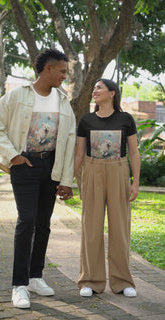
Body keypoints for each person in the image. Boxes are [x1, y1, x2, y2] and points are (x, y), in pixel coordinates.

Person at [0, 48, 76, 309]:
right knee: (26, 220)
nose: (64, 76)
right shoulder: (16, 96)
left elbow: (69, 140)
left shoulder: (63, 101)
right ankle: (19, 285)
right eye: (61, 71)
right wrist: (13, 155)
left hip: (52, 166)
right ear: (47, 69)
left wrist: (67, 179)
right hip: (24, 164)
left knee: (43, 223)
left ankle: (36, 276)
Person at [74, 79, 140, 298]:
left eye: (99, 87)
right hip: (92, 171)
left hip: (119, 171)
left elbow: (133, 152)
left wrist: (135, 181)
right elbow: (79, 154)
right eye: (93, 88)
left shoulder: (126, 119)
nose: (94, 91)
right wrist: (71, 178)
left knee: (120, 227)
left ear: (112, 93)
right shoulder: (86, 120)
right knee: (90, 227)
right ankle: (90, 281)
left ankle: (122, 282)